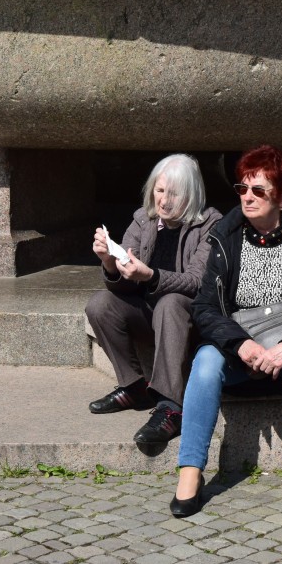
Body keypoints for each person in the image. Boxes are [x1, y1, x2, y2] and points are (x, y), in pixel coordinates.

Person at [171, 145, 282, 517]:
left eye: (258, 190)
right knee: (205, 362)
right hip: (241, 339)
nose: (247, 197)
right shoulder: (226, 234)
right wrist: (241, 345)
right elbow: (205, 307)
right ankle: (190, 470)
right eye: (242, 188)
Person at [86, 154, 223, 447]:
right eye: (159, 191)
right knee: (100, 304)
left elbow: (197, 282)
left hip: (190, 320)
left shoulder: (211, 224)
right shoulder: (143, 219)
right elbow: (123, 284)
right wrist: (109, 261)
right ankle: (134, 387)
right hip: (149, 313)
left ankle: (171, 406)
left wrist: (150, 275)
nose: (163, 200)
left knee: (170, 302)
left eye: (173, 194)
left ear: (192, 195)